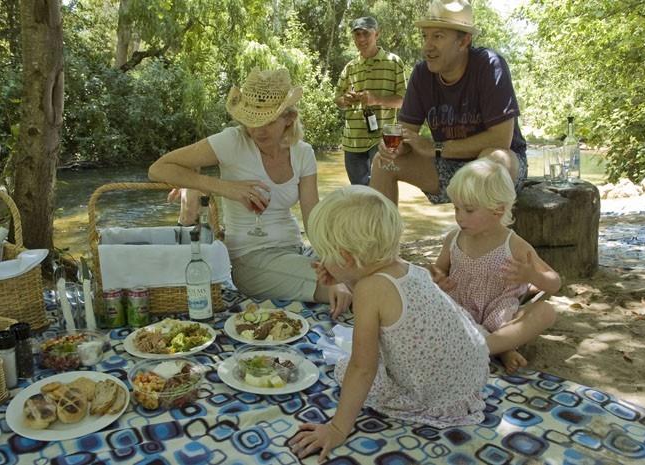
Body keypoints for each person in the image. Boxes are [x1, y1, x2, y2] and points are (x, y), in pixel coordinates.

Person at [289, 185, 489, 461]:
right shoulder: (406, 267)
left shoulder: (369, 291)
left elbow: (363, 367)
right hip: (469, 378)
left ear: (346, 257)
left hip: (435, 396)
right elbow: (365, 280)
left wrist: (337, 428)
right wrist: (342, 277)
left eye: (325, 254)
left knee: (346, 367)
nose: (322, 261)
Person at [148, 68, 352, 315]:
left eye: (267, 122)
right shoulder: (231, 142)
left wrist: (331, 259)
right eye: (251, 122)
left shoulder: (303, 153)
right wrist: (225, 188)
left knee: (359, 269)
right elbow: (159, 169)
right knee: (346, 287)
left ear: (289, 118)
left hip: (295, 249)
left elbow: (313, 219)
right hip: (250, 259)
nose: (257, 131)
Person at [370, 0, 528, 205]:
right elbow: (405, 133)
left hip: (502, 168)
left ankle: (482, 237)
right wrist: (395, 147)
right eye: (425, 36)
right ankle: (380, 236)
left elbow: (500, 140)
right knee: (382, 163)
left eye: (438, 36)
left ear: (463, 41)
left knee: (494, 158)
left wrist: (436, 147)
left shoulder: (489, 65)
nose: (427, 46)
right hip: (447, 165)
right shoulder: (421, 74)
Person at [431, 159, 559, 373]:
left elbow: (554, 282)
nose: (459, 216)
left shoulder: (513, 244)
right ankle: (501, 349)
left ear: (497, 210)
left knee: (546, 312)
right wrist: (437, 279)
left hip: (501, 316)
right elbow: (438, 271)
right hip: (460, 314)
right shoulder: (454, 239)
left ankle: (488, 346)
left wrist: (531, 275)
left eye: (469, 210)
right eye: (456, 208)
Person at [334, 16, 406, 186]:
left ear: (377, 34)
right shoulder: (350, 67)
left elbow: (403, 101)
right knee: (360, 194)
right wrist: (344, 100)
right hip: (352, 140)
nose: (361, 39)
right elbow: (337, 99)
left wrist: (377, 99)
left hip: (382, 140)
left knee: (382, 190)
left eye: (366, 34)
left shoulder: (394, 62)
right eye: (357, 34)